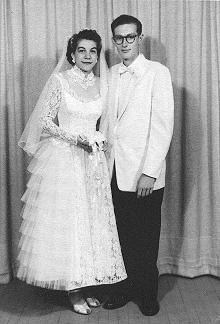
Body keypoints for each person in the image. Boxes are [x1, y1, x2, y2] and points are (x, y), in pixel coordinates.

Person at [17, 29, 127, 316]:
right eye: (82, 50)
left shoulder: (104, 85)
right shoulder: (60, 80)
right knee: (69, 221)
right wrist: (76, 138)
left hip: (93, 162)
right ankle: (72, 288)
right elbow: (44, 121)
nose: (88, 56)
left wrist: (98, 142)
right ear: (72, 54)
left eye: (93, 51)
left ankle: (88, 283)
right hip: (64, 157)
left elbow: (107, 124)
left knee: (92, 222)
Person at [100, 15, 174, 316]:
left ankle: (147, 293)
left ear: (139, 38)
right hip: (113, 170)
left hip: (144, 172)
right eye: (118, 38)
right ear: (114, 41)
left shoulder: (157, 72)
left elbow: (162, 125)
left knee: (145, 235)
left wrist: (150, 171)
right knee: (119, 235)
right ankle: (123, 288)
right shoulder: (111, 73)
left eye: (130, 37)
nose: (124, 43)